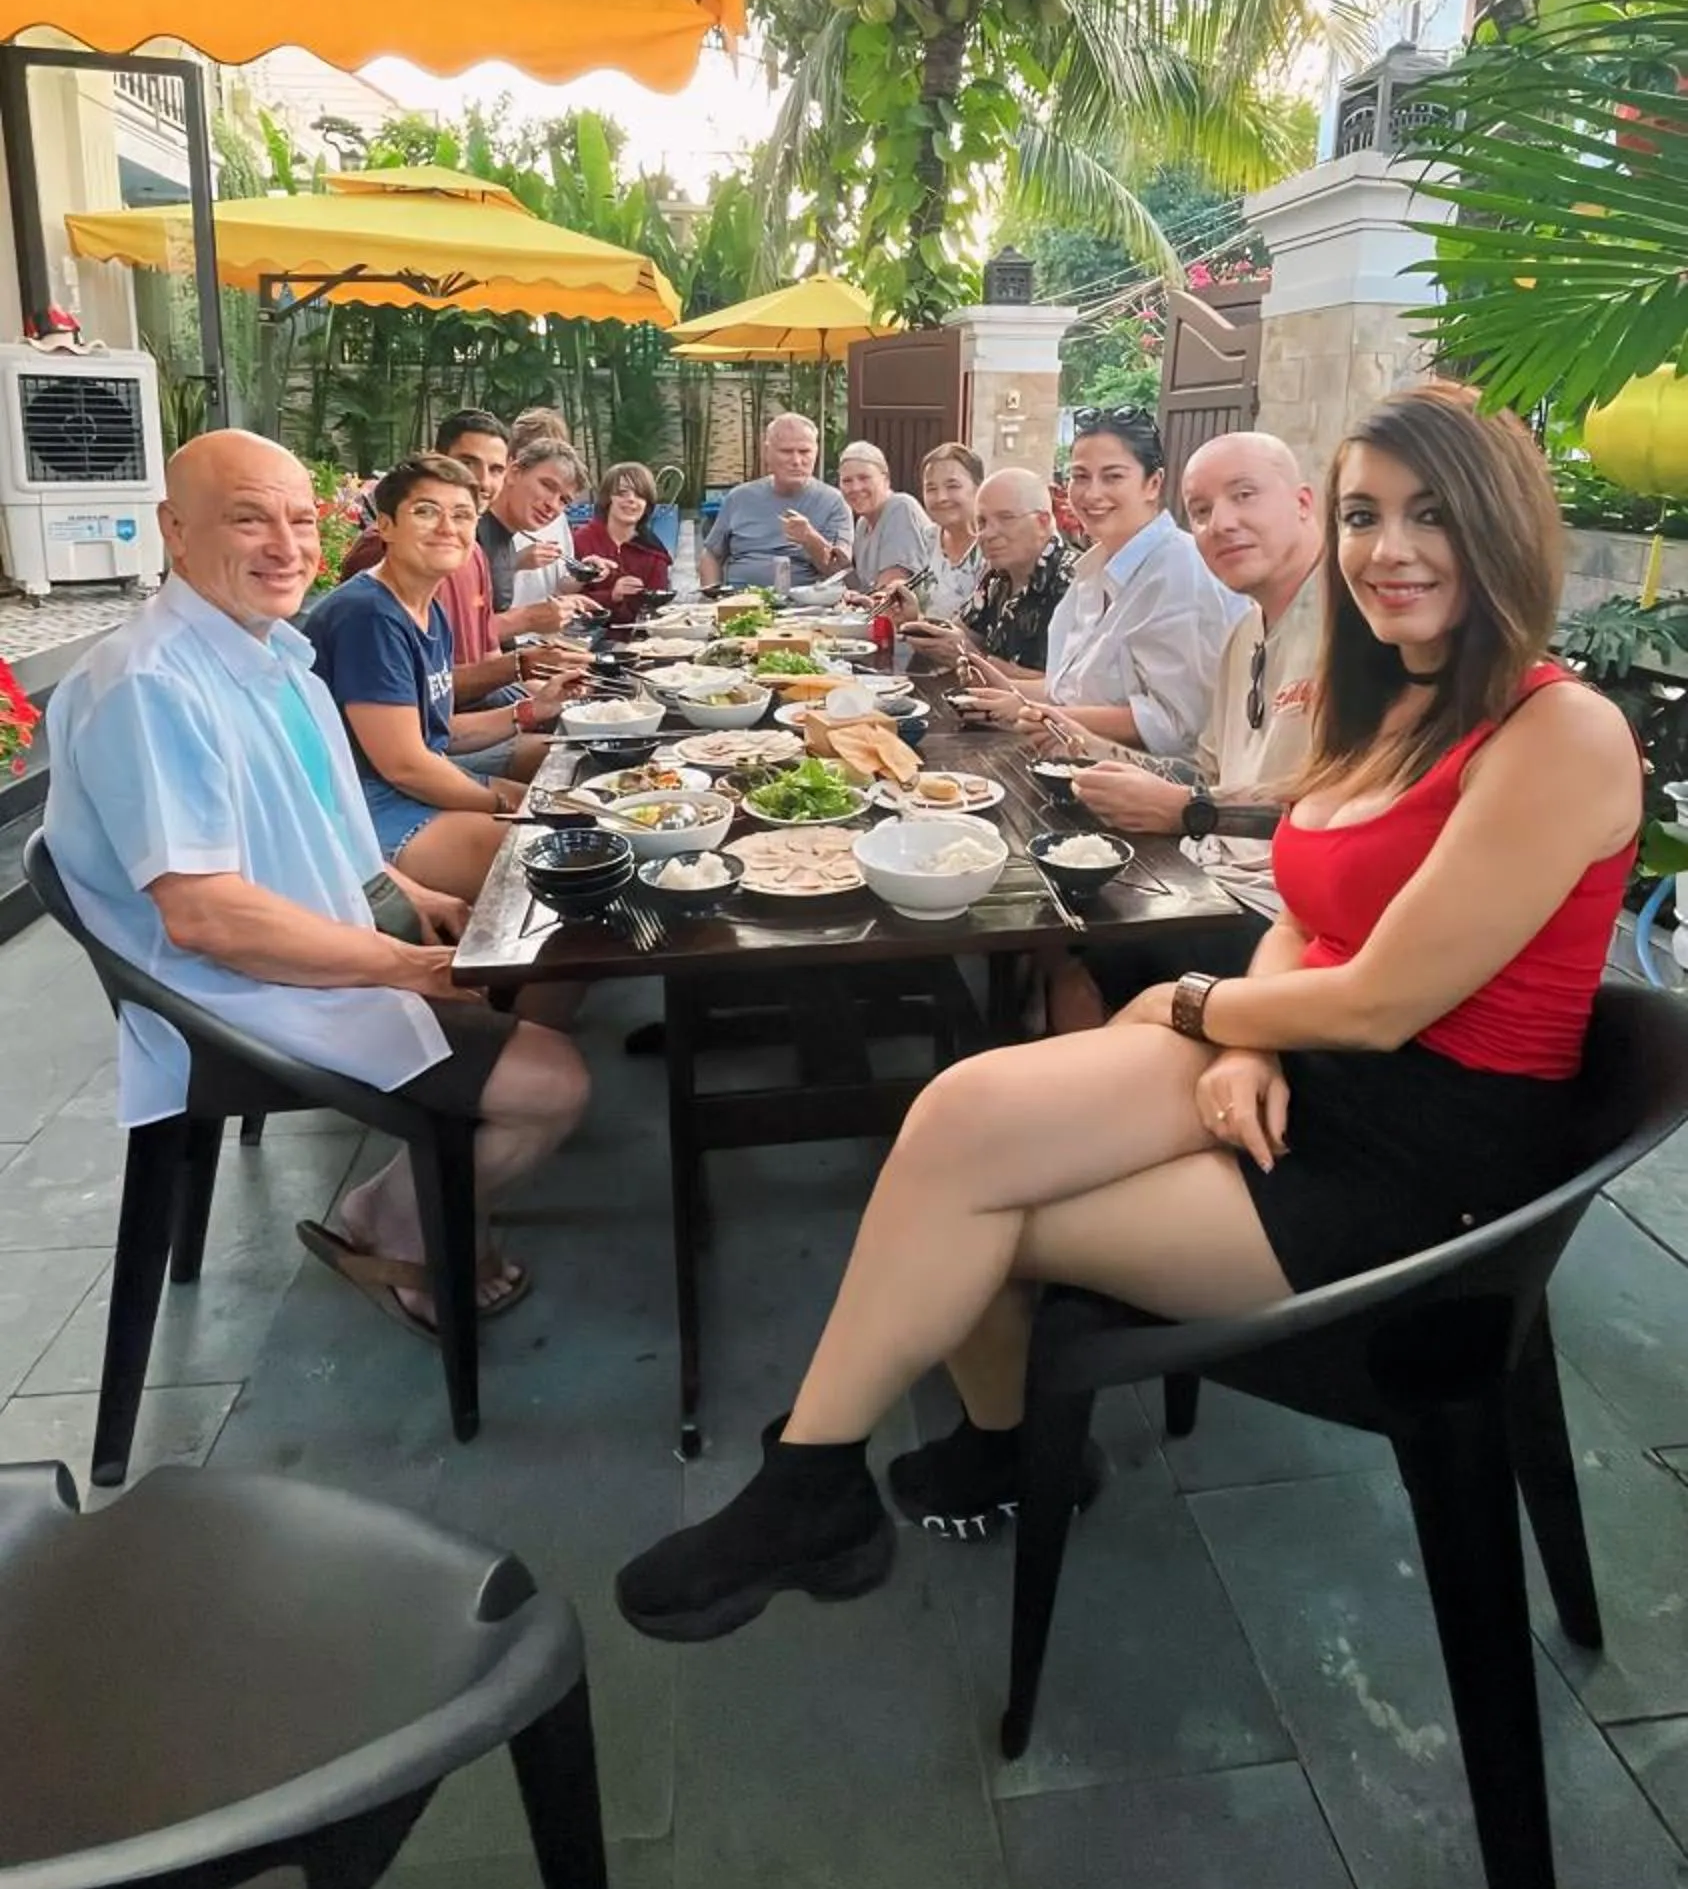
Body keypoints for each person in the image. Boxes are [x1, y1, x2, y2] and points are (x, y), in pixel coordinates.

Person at [613, 385, 1640, 1633]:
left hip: (1426, 1166)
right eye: (1365, 515)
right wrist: (1249, 1020)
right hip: (1309, 1062)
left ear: (1503, 525)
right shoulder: (1393, 709)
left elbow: (1377, 1002)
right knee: (958, 1117)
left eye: (1428, 514)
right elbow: (1314, 917)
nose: (1386, 549)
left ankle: (881, 1470)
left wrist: (1206, 1009)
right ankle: (817, 1475)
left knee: (979, 1206)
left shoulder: (1560, 734)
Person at [44, 431, 589, 1338]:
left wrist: (397, 890)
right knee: (556, 1082)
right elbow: (206, 916)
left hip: (316, 946)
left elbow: (313, 816)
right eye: (248, 519)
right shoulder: (149, 685)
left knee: (551, 952)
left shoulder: (266, 656)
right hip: (235, 1000)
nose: (286, 546)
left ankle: (418, 1186)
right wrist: (403, 966)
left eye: (299, 520)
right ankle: (394, 1224)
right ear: (174, 531)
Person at [1041, 430, 1325, 1032]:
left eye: (1244, 495)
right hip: (1216, 874)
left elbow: (1335, 821)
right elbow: (1206, 773)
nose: (1222, 523)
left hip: (1286, 914)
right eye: (1201, 510)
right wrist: (1084, 745)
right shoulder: (1246, 630)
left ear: (1304, 503)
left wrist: (1190, 811)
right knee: (1062, 926)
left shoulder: (1354, 633)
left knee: (1081, 944)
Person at [304, 454, 566, 898]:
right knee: (545, 854)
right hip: (365, 809)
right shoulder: (368, 615)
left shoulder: (430, 611)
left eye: (462, 515)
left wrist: (530, 709)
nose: (448, 527)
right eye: (425, 511)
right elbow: (405, 765)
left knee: (560, 807)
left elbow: (439, 737)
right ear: (384, 526)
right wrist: (498, 804)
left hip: (409, 784)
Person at [956, 411, 1242, 759]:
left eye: (1113, 477)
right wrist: (1010, 693)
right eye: (1080, 476)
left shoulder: (1181, 571)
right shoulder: (1093, 568)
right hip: (1070, 767)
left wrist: (1037, 714)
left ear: (1153, 483)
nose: (1092, 494)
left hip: (1151, 794)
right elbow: (1073, 691)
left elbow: (1175, 724)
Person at [341, 410, 588, 735]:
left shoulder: (473, 551)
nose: (481, 482)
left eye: (494, 469)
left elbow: (481, 657)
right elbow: (420, 711)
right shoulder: (387, 555)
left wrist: (541, 696)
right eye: (467, 463)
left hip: (458, 719)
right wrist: (524, 661)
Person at [902, 467, 1074, 681]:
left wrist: (971, 658)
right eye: (981, 522)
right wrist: (913, 621)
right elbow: (960, 634)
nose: (988, 534)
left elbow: (1066, 692)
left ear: (1043, 522)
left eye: (1006, 518)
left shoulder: (1074, 583)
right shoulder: (998, 575)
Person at [699, 413, 851, 590]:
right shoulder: (739, 498)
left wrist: (810, 539)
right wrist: (713, 597)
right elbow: (711, 554)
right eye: (786, 451)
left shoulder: (833, 502)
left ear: (815, 453)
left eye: (804, 452)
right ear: (767, 453)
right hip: (740, 604)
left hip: (806, 609)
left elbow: (841, 572)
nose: (796, 461)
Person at [477, 431, 604, 637]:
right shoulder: (471, 535)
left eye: (564, 500)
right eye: (547, 485)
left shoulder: (505, 540)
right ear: (514, 471)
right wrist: (531, 618)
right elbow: (457, 637)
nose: (552, 505)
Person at [569, 461, 674, 621]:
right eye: (622, 493)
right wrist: (611, 595)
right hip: (582, 637)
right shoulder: (579, 541)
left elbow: (659, 610)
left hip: (639, 640)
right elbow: (562, 598)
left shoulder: (655, 552)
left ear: (647, 505)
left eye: (640, 495)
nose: (631, 500)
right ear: (607, 499)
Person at [837, 440, 937, 597]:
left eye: (864, 478)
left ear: (885, 479)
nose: (855, 488)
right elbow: (866, 590)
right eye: (847, 481)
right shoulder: (863, 524)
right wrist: (843, 567)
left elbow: (891, 590)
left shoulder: (900, 507)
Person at [899, 441, 984, 622]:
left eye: (952, 486)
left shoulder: (992, 548)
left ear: (978, 489)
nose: (941, 498)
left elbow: (980, 632)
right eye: (931, 489)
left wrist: (916, 619)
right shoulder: (924, 540)